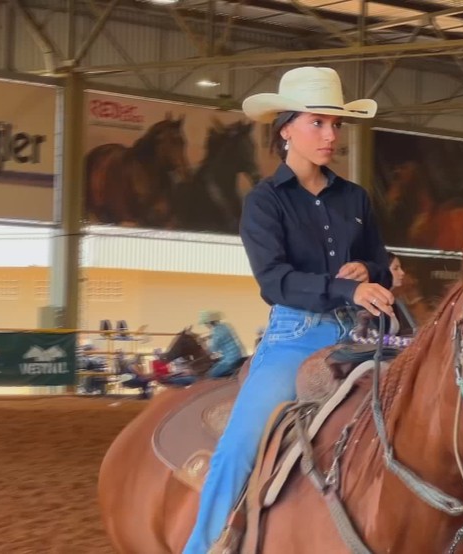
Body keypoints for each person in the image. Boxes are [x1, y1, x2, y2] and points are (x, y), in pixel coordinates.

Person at [184, 66, 395, 554]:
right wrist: (347, 292)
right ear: (286, 130)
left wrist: (367, 271)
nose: (330, 135)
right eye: (317, 123)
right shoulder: (264, 202)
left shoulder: (356, 198)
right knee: (237, 448)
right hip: (294, 337)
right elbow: (274, 280)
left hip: (359, 334)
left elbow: (381, 266)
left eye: (335, 125)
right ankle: (201, 547)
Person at [198, 309, 247, 379]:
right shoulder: (225, 326)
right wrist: (208, 337)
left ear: (209, 323)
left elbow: (213, 349)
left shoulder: (216, 332)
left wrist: (202, 343)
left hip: (229, 359)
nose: (205, 325)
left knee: (211, 374)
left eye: (205, 323)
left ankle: (231, 376)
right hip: (238, 354)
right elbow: (222, 336)